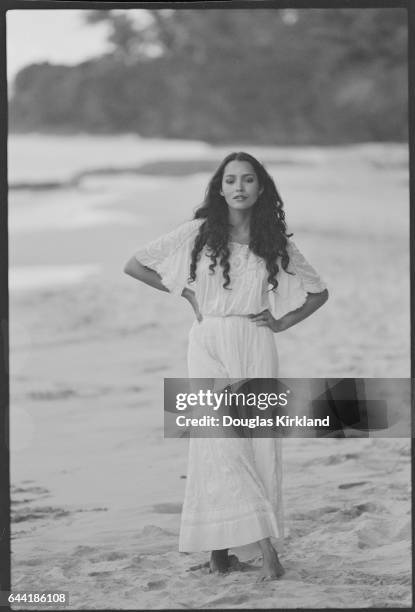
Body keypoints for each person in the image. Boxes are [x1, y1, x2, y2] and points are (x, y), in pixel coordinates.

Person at [124, 151, 328, 580]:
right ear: (220, 188)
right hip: (209, 340)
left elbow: (318, 292)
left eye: (248, 180)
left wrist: (281, 321)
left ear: (261, 188)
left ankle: (219, 555)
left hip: (255, 342)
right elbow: (136, 264)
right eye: (231, 180)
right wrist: (188, 294)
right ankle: (267, 550)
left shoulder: (275, 241)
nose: (239, 187)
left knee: (254, 443)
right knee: (219, 442)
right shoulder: (199, 232)